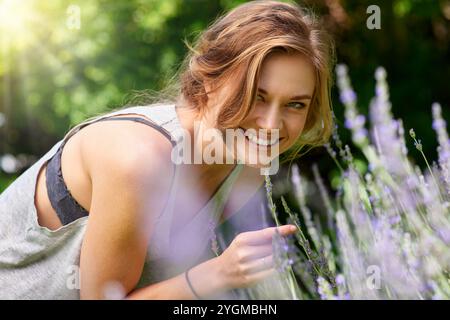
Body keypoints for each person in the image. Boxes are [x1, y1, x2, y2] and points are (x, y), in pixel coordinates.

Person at [0, 0, 334, 299]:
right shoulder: (138, 160)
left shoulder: (247, 163)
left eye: (295, 104)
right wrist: (218, 273)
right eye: (257, 96)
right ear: (210, 78)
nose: (272, 124)